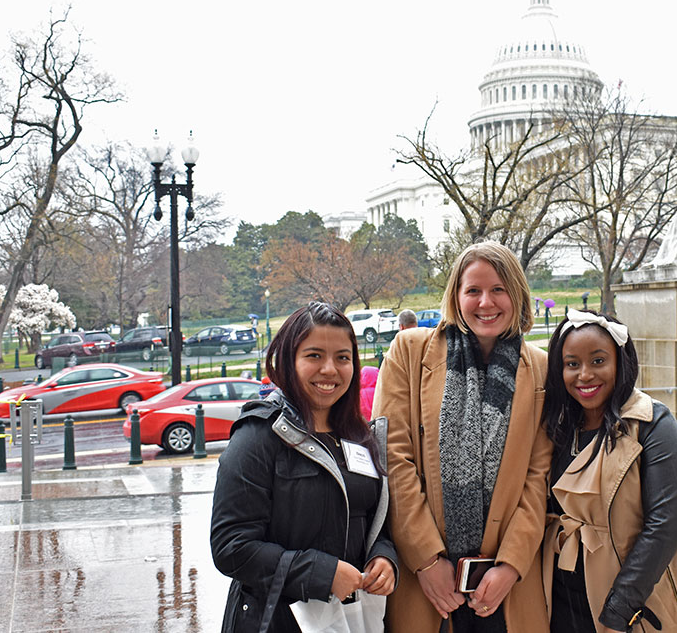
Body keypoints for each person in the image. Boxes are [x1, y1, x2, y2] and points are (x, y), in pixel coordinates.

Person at [375, 240, 552, 633]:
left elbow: (537, 477)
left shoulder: (540, 368)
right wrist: (424, 558)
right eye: (473, 290)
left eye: (498, 289)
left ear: (517, 295)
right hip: (427, 580)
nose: (485, 302)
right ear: (456, 296)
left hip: (505, 587)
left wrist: (510, 566)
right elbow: (391, 456)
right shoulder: (410, 350)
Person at [211, 302, 398, 633]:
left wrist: (383, 557)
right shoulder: (258, 436)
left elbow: (373, 519)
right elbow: (231, 546)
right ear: (288, 362)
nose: (330, 369)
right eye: (314, 356)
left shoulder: (358, 435)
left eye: (343, 358)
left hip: (354, 617)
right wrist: (320, 573)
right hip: (279, 618)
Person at [541, 309, 677, 633]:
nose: (585, 375)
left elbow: (664, 526)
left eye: (598, 361)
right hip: (562, 601)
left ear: (620, 361)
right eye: (572, 364)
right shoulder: (557, 427)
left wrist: (620, 607)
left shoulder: (653, 424)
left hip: (631, 604)